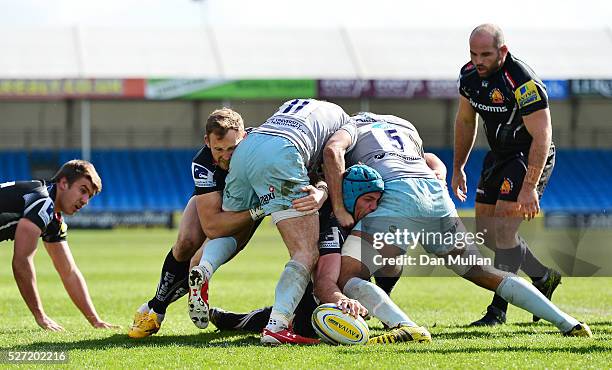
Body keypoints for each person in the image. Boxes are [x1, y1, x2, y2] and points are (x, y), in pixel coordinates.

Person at [323, 112, 591, 339]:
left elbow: (333, 152)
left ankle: (405, 326)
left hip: (395, 192)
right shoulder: (404, 127)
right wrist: (439, 175)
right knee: (484, 270)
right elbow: (430, 160)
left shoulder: (351, 126)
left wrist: (338, 207)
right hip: (434, 193)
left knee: (348, 276)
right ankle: (567, 322)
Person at [208, 164, 437, 343]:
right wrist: (343, 301)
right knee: (309, 322)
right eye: (368, 200)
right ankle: (234, 320)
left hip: (336, 277)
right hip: (320, 283)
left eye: (377, 201)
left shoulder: (364, 216)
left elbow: (428, 158)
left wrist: (439, 171)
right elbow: (324, 283)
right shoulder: (332, 222)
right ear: (350, 195)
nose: (374, 207)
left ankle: (395, 319)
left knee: (390, 256)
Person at [221, 98, 358, 345]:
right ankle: (276, 326)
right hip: (283, 152)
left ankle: (201, 269)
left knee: (223, 224)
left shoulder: (299, 105)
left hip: (248, 147)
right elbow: (332, 153)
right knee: (305, 252)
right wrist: (335, 204)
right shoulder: (348, 123)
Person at [452, 23, 561, 326]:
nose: (478, 61)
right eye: (473, 53)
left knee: (504, 231)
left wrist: (530, 187)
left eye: (485, 54)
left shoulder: (523, 81)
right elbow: (464, 120)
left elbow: (543, 135)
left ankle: (497, 311)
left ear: (503, 50)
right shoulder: (469, 75)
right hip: (498, 155)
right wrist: (459, 166)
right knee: (487, 233)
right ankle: (542, 276)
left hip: (527, 156)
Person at [128, 108, 265, 338]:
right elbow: (211, 224)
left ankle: (155, 308)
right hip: (215, 198)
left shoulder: (260, 144)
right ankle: (158, 309)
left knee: (198, 260)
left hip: (245, 205)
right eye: (218, 149)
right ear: (207, 142)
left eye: (233, 148)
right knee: (186, 242)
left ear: (245, 137)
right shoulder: (202, 163)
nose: (226, 156)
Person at [0, 159, 117, 331]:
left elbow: (68, 272)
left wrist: (95, 321)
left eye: (89, 196)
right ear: (63, 183)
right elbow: (21, 261)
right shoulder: (42, 201)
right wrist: (40, 315)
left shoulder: (53, 219)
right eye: (82, 190)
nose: (85, 200)